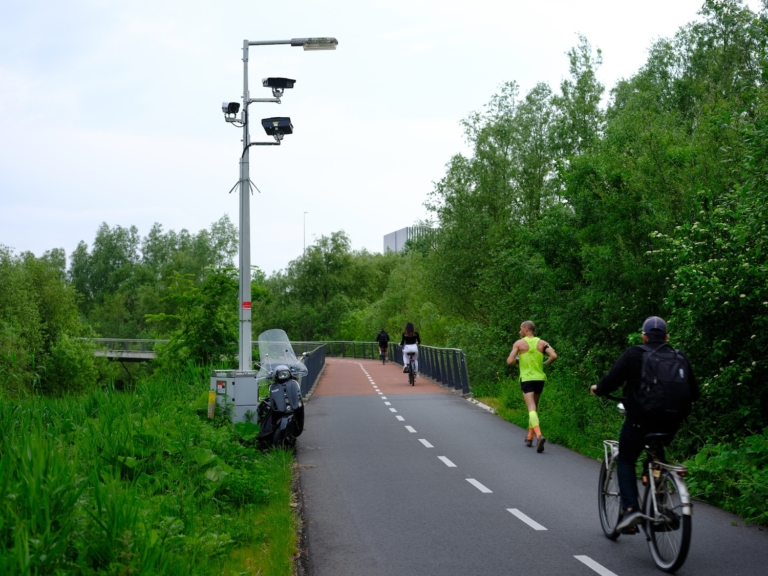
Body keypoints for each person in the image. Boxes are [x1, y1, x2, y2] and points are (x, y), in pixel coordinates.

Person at [590, 316, 699, 533]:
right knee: (656, 455)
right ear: (667, 337)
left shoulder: (634, 354)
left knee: (627, 459)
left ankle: (631, 510)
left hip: (640, 421)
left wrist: (598, 389)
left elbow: (612, 380)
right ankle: (662, 506)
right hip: (671, 424)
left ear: (644, 336)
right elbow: (694, 393)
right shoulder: (680, 357)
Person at [507, 320, 557, 453]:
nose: (519, 331)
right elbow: (554, 355)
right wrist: (545, 364)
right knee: (534, 408)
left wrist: (518, 361)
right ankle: (529, 437)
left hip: (527, 379)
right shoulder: (542, 343)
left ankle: (539, 435)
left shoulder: (519, 343)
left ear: (526, 329)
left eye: (520, 329)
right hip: (540, 378)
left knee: (531, 408)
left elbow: (509, 361)